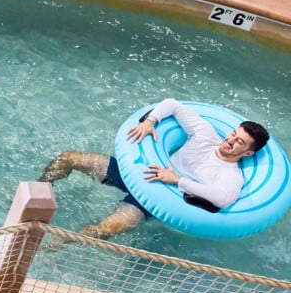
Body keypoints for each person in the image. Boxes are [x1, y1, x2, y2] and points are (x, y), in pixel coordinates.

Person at [39, 98, 270, 239]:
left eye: (239, 142)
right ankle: (38, 190)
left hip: (155, 201)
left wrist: (177, 180)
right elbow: (173, 104)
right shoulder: (206, 134)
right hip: (139, 171)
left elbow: (223, 198)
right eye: (233, 134)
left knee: (103, 229)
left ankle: (58, 242)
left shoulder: (231, 175)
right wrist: (151, 121)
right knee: (68, 157)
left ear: (248, 152)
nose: (230, 141)